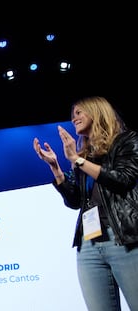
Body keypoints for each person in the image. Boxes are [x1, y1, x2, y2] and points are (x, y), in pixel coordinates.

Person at [33, 96, 138, 311]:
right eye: (73, 115)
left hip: (125, 241)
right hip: (89, 245)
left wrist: (77, 160)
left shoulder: (128, 140)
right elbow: (74, 201)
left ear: (97, 111)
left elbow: (122, 180)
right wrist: (56, 168)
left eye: (79, 113)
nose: (74, 118)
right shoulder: (84, 155)